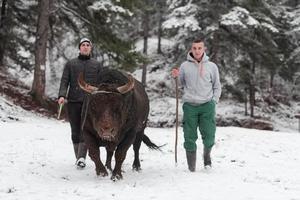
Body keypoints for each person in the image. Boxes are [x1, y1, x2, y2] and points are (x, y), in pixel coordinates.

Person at [172, 38, 221, 172]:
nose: (197, 51)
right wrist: (176, 77)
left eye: (200, 48)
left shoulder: (212, 66)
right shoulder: (184, 66)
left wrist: (214, 101)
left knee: (209, 135)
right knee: (189, 136)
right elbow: (181, 84)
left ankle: (207, 157)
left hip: (207, 105)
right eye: (195, 48)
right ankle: (191, 167)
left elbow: (217, 86)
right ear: (191, 49)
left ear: (204, 49)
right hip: (190, 106)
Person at [58, 38, 102, 169]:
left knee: (85, 129)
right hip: (73, 101)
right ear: (79, 48)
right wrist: (61, 95)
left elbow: (101, 83)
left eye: (88, 45)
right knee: (75, 130)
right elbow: (64, 81)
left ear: (91, 48)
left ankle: (82, 157)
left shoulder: (97, 65)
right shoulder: (71, 64)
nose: (86, 47)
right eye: (83, 45)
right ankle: (79, 157)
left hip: (90, 103)